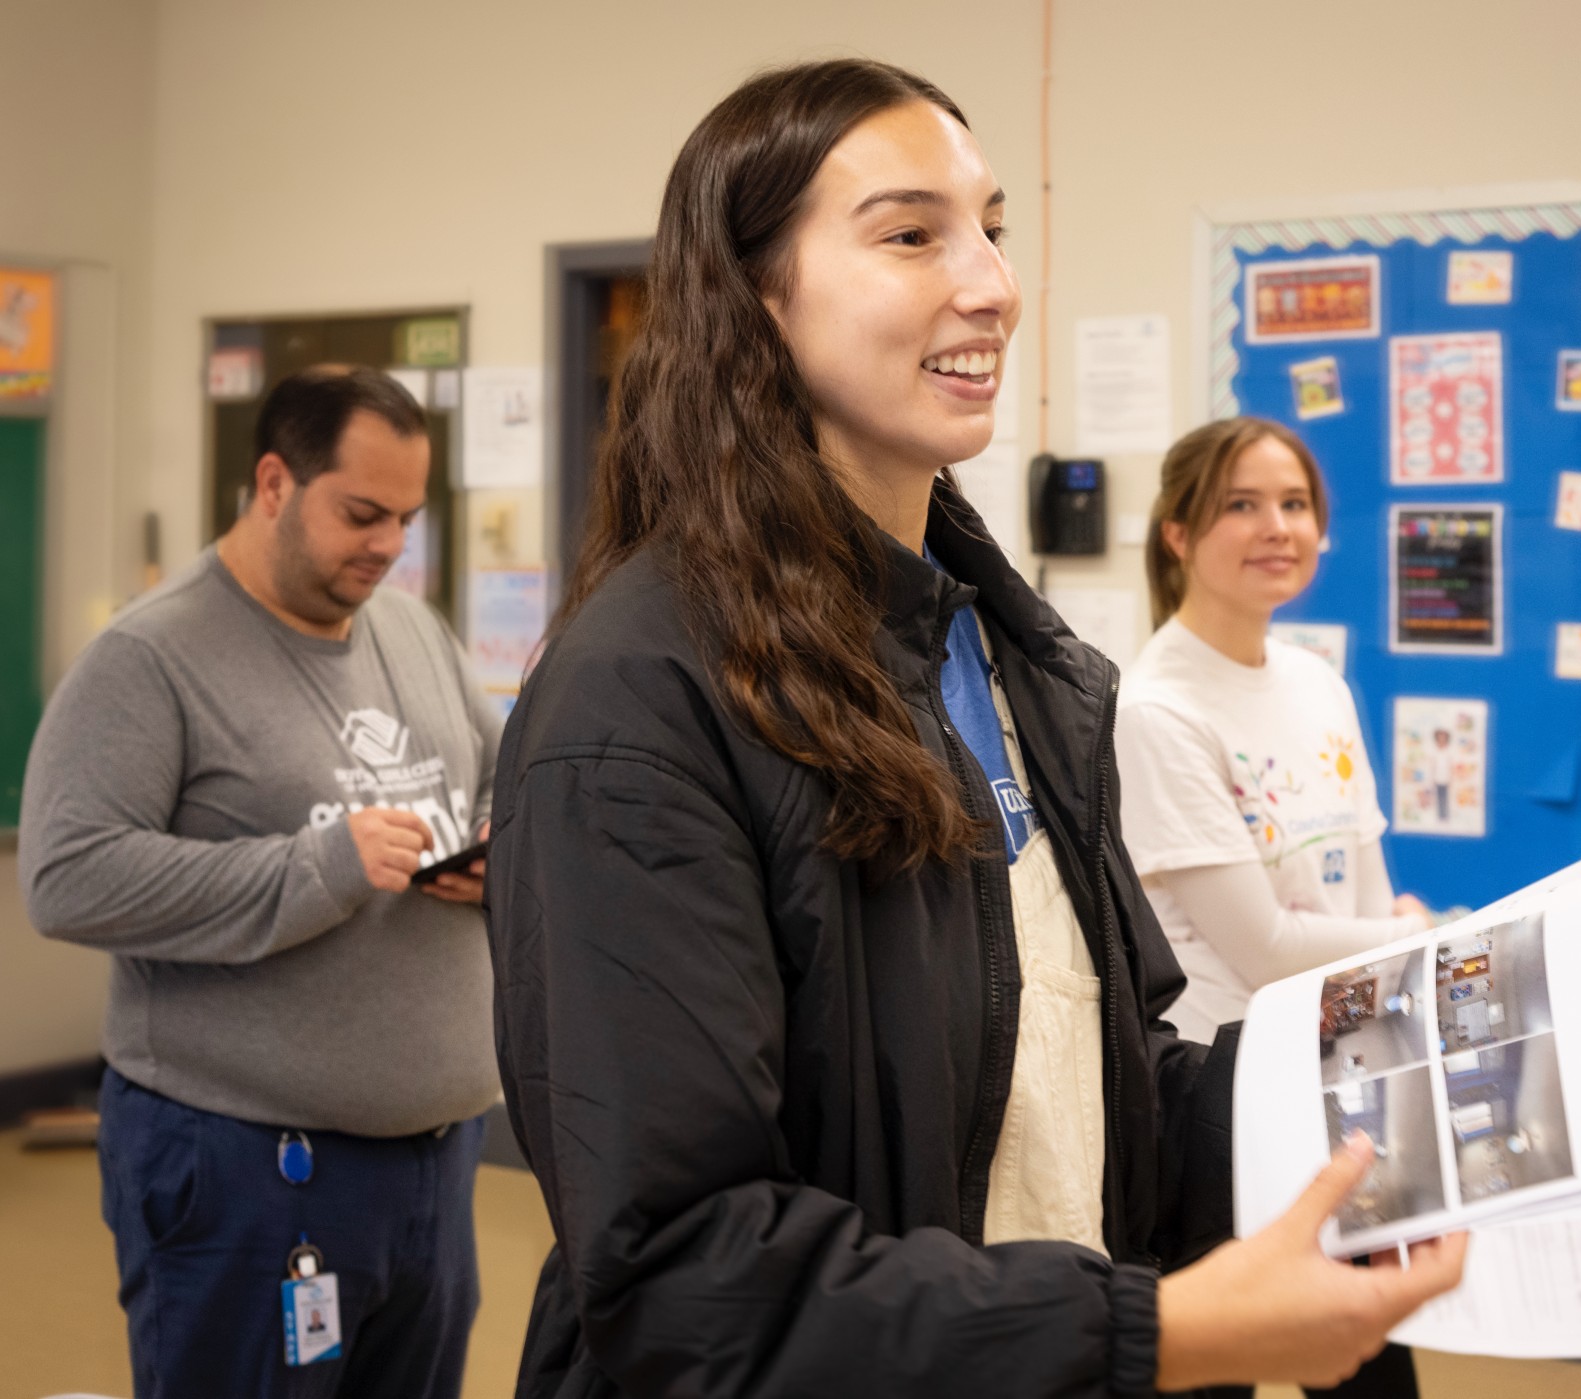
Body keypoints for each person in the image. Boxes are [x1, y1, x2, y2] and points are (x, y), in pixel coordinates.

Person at [485, 60, 1463, 1399]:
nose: (993, 283)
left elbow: (1104, 1084)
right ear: (753, 295)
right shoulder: (636, 702)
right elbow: (682, 1275)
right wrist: (1154, 1335)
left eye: (993, 226)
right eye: (909, 234)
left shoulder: (1012, 662)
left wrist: (1432, 1066)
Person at [20, 366, 502, 1398]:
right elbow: (67, 876)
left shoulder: (411, 630)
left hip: (430, 1161)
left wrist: (509, 851)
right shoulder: (150, 658)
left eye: (407, 520)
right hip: (244, 1171)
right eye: (362, 513)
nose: (387, 546)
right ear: (274, 483)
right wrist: (319, 865)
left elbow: (506, 772)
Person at [1116, 416, 1439, 1398]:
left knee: (1369, 1365)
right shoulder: (1154, 706)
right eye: (1242, 505)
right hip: (1222, 1096)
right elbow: (1261, 948)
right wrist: (1417, 939)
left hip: (1336, 1078)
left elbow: (1362, 875)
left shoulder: (1317, 681)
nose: (1278, 528)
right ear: (1179, 533)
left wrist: (1394, 968)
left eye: (1295, 504)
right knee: (1219, 1375)